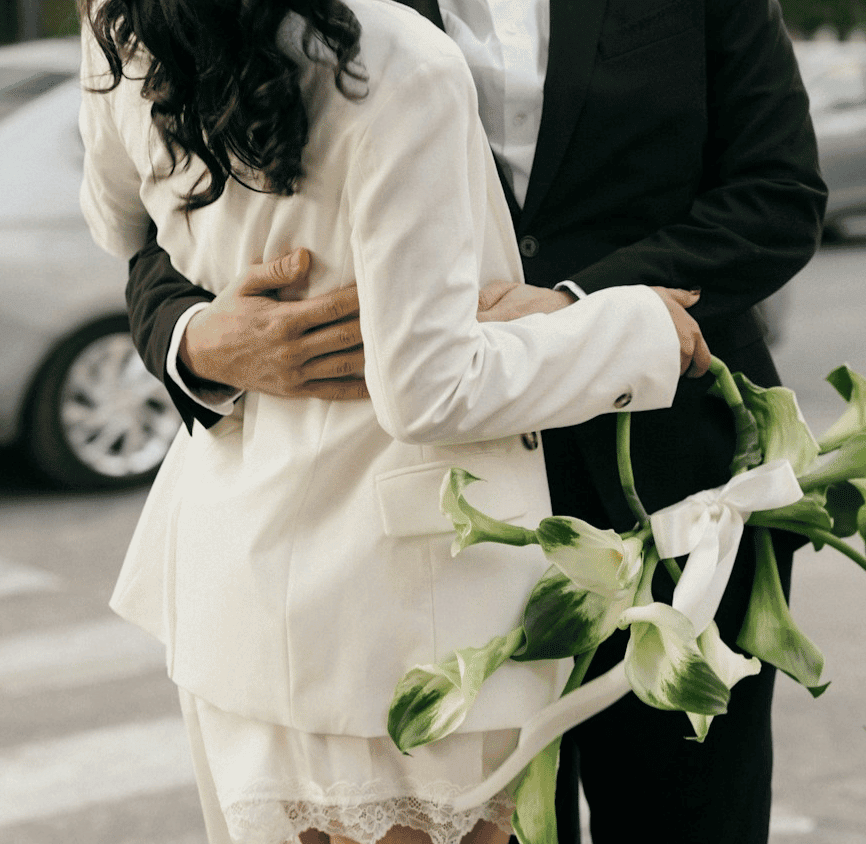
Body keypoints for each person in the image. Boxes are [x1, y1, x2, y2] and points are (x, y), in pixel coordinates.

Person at [122, 0, 827, 840]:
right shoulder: (325, 16)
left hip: (673, 492)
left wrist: (571, 311)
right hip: (428, 535)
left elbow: (777, 192)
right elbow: (154, 222)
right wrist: (193, 342)